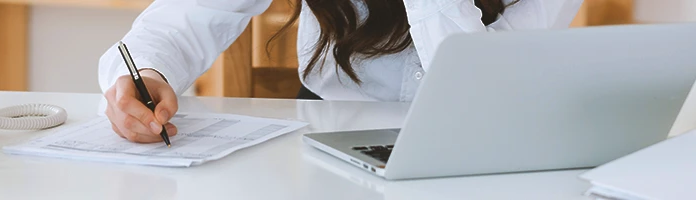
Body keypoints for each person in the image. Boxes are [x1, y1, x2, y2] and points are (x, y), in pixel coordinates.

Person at [98, 0, 584, 143]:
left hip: (483, 136)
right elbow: (185, 19)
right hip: (332, 132)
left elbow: (479, 94)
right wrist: (149, 72)